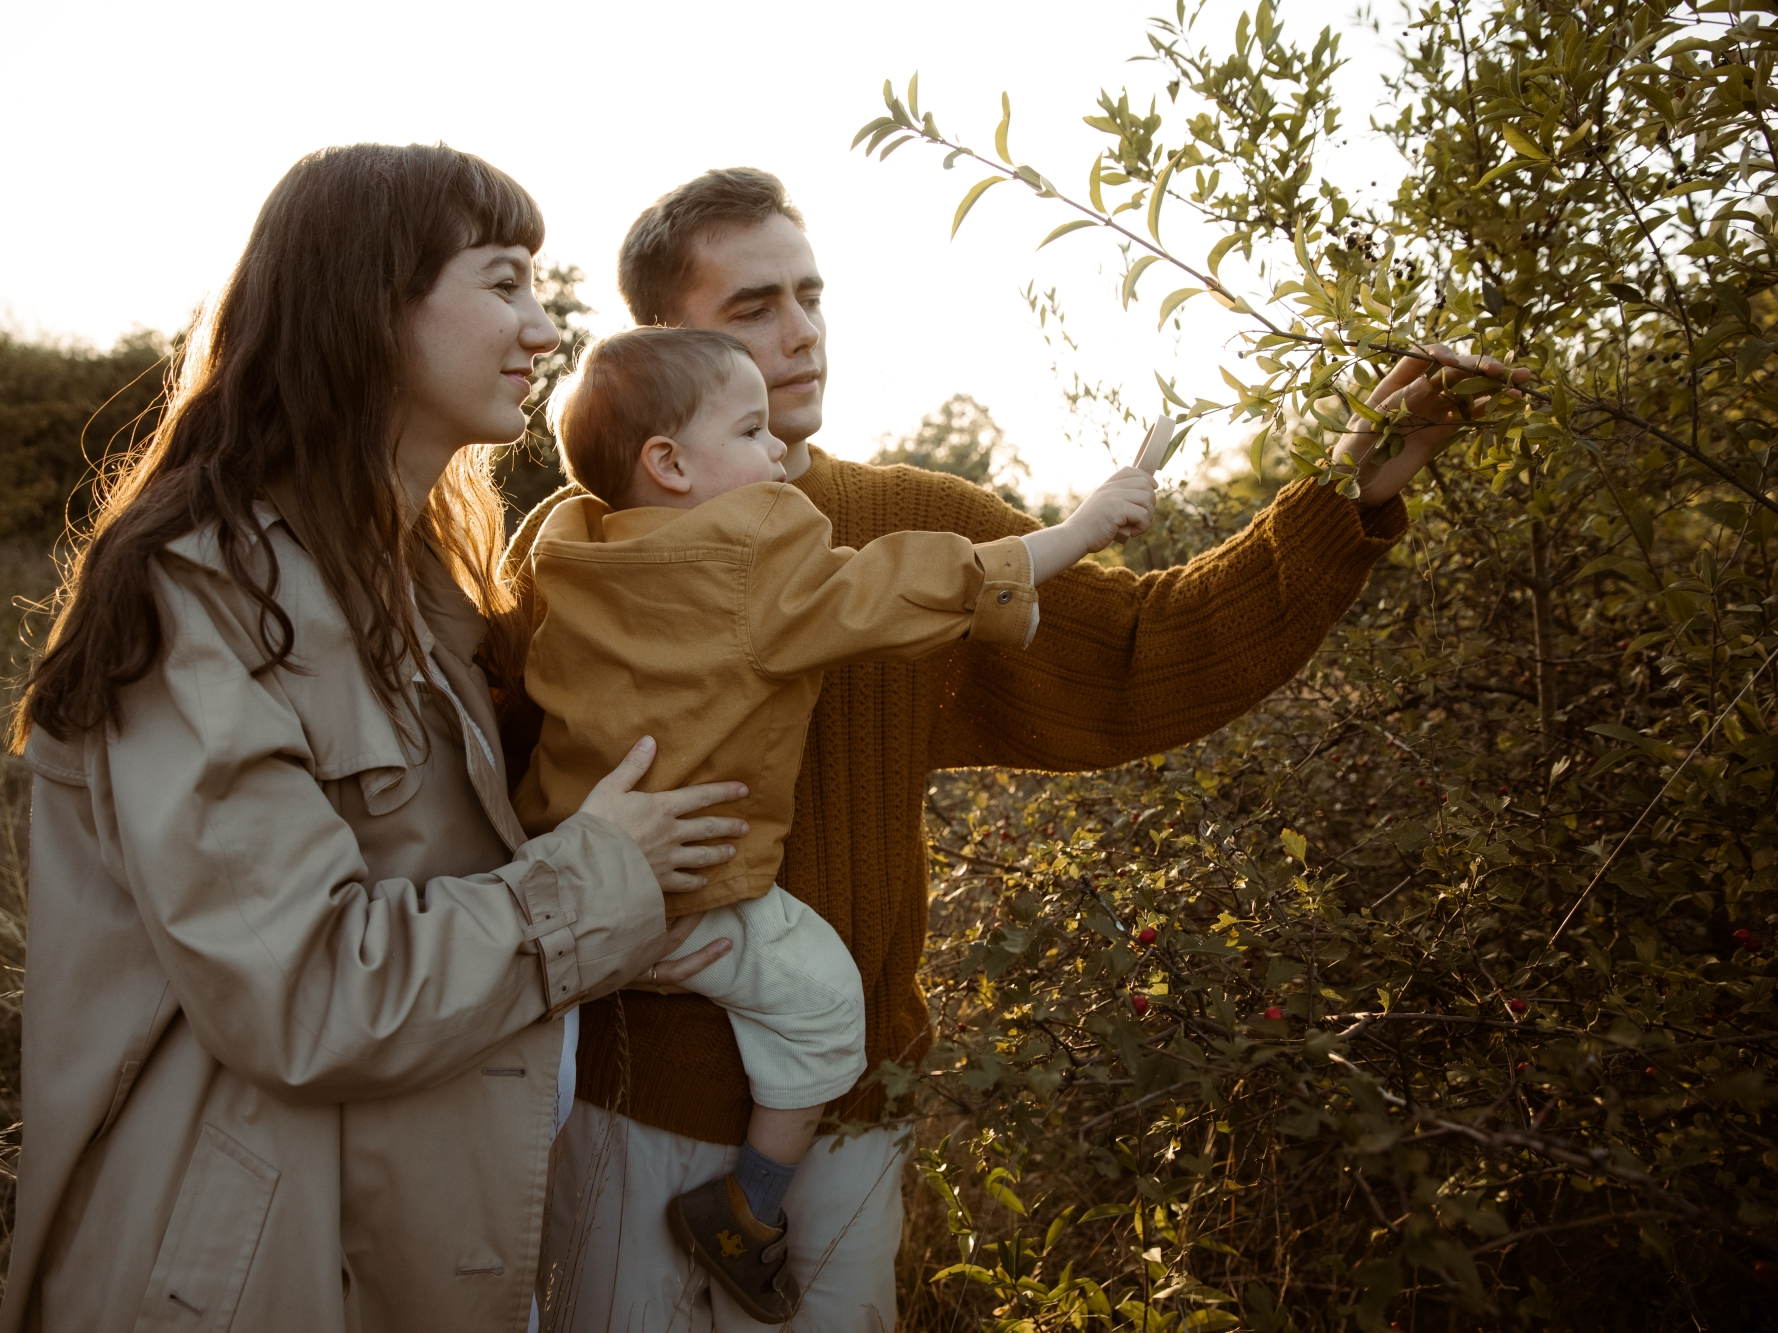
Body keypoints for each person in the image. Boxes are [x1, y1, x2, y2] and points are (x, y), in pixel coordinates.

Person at [509, 168, 1528, 1332]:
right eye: (752, 307)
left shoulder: (912, 526)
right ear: (660, 348)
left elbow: (1140, 648)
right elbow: (481, 796)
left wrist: (1342, 491)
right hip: (629, 1093)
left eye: (809, 293)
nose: (799, 334)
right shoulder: (573, 549)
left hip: (838, 1119)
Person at [0, 143, 749, 1333]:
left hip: (399, 1238)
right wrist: (600, 877)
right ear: (367, 304)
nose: (545, 329)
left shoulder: (421, 587)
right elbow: (303, 990)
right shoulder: (200, 590)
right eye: (503, 283)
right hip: (245, 1269)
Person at [512, 326, 1157, 1323]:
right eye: (752, 430)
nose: (778, 453)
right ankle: (742, 1206)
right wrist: (1075, 530)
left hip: (567, 868)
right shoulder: (748, 568)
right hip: (690, 896)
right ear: (669, 463)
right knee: (824, 1004)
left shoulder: (576, 555)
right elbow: (907, 584)